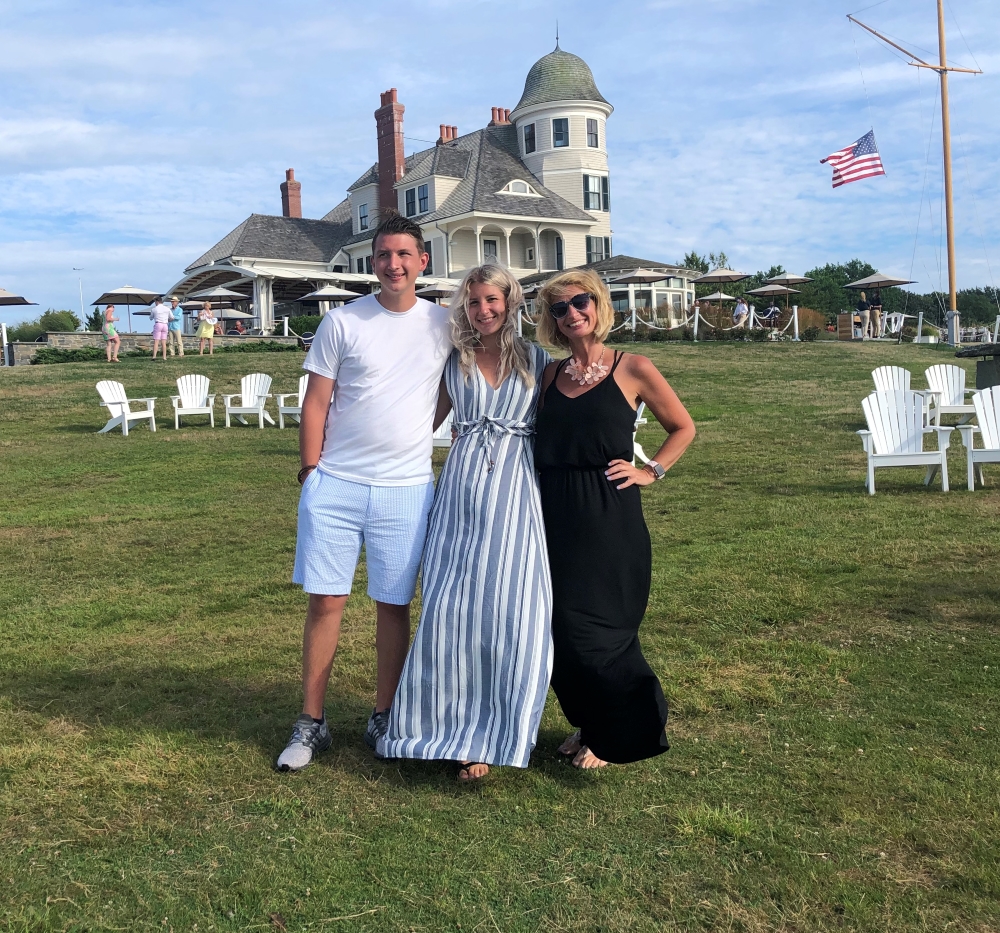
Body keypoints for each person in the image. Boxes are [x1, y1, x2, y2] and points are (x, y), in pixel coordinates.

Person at [276, 212, 451, 772]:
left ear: (423, 261)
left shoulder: (445, 324)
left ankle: (385, 715)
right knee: (326, 602)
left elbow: (452, 391)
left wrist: (417, 428)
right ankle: (311, 721)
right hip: (337, 485)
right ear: (371, 263)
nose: (393, 264)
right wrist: (310, 473)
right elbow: (316, 403)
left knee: (393, 606)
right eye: (383, 255)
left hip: (406, 489)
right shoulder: (343, 323)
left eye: (404, 254)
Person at [378, 264, 553, 782]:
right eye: (474, 302)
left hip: (519, 493)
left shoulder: (538, 360)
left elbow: (560, 427)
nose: (484, 311)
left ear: (511, 301)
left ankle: (496, 733)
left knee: (512, 612)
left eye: (492, 300)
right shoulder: (454, 361)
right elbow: (418, 422)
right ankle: (447, 731)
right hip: (462, 493)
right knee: (453, 609)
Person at [534, 270, 696, 769]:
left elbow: (683, 427)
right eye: (559, 309)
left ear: (598, 304)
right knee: (559, 628)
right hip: (554, 515)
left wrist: (652, 471)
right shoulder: (549, 375)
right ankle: (589, 723)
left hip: (610, 517)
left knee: (603, 631)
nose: (571, 314)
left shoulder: (633, 368)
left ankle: (621, 731)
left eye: (579, 302)